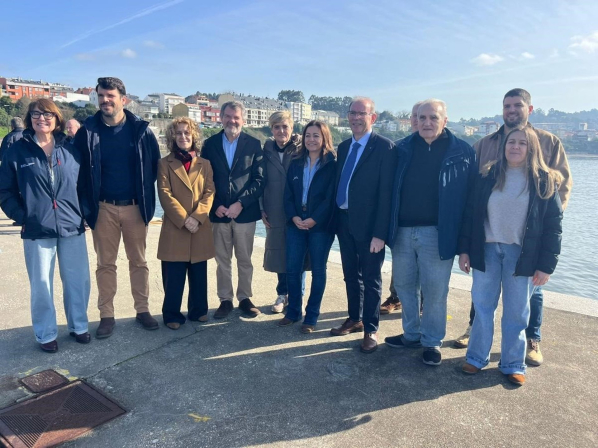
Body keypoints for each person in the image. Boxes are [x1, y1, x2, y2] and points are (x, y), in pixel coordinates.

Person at [453, 88, 572, 368]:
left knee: (521, 308)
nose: (511, 110)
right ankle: (477, 353)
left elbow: (560, 196)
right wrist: (465, 248)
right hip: (488, 247)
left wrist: (537, 228)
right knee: (483, 304)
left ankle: (523, 351)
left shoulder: (548, 150)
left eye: (517, 105)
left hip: (526, 246)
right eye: (507, 105)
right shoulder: (485, 151)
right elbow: (472, 207)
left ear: (529, 109)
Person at [385, 99, 477, 366]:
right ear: (415, 119)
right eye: (422, 117)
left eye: (433, 118)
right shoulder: (401, 148)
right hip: (402, 232)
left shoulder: (462, 152)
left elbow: (470, 200)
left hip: (438, 233)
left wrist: (465, 243)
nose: (427, 122)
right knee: (404, 286)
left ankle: (432, 341)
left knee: (435, 291)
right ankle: (411, 334)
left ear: (444, 121)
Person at [0, 99, 90, 352]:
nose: (42, 118)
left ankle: (79, 326)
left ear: (57, 118)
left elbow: (85, 185)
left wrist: (84, 214)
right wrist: (23, 216)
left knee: (78, 281)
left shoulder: (71, 149)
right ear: (29, 118)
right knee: (41, 284)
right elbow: (5, 190)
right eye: (36, 114)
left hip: (72, 225)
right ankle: (45, 332)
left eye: (48, 114)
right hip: (37, 228)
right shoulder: (17, 151)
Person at [75, 77, 161, 338]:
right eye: (101, 96)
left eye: (110, 96)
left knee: (139, 262)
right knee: (105, 264)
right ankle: (106, 315)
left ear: (124, 99)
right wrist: (84, 208)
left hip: (135, 207)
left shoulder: (141, 131)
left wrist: (143, 197)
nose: (105, 101)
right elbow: (78, 173)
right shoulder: (87, 131)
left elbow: (154, 167)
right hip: (103, 208)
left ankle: (142, 309)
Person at [330, 97, 397, 354]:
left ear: (373, 117)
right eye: (353, 113)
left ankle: (371, 328)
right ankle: (354, 318)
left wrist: (380, 234)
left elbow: (386, 195)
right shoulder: (344, 147)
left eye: (362, 113)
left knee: (371, 279)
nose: (356, 118)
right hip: (343, 220)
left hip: (370, 228)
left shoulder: (385, 148)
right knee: (350, 275)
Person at [201, 101, 265, 319]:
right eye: (228, 116)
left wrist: (241, 203)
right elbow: (204, 179)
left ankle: (245, 298)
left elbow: (259, 179)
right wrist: (216, 204)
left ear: (243, 120)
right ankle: (225, 300)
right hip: (218, 214)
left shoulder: (254, 144)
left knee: (245, 259)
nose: (232, 121)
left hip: (244, 213)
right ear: (221, 118)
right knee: (222, 261)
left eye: (236, 117)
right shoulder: (209, 144)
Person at [278, 120, 336, 333]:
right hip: (296, 222)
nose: (311, 139)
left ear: (324, 138)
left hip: (320, 225)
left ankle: (311, 317)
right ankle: (293, 312)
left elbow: (331, 198)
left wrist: (315, 219)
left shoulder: (332, 164)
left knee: (318, 271)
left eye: (316, 135)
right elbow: (287, 194)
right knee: (293, 269)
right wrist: (293, 216)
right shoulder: (296, 162)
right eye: (308, 135)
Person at [157, 117, 215, 329]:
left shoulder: (205, 164)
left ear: (194, 136)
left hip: (199, 226)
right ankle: (171, 314)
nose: (183, 137)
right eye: (179, 133)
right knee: (174, 275)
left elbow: (210, 192)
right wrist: (184, 220)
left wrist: (197, 217)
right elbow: (164, 194)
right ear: (173, 137)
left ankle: (199, 310)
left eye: (187, 133)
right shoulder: (164, 163)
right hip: (176, 227)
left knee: (199, 274)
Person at [261, 110, 305, 313]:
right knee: (279, 253)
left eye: (284, 126)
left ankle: (297, 297)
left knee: (299, 254)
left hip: (297, 209)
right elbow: (259, 180)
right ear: (271, 129)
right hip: (274, 209)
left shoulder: (302, 148)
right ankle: (282, 294)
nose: (281, 131)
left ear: (292, 128)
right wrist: (261, 208)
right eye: (276, 127)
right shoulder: (266, 150)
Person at [381, 100, 423, 315]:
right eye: (415, 115)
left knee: (425, 264)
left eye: (422, 116)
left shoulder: (440, 149)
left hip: (427, 219)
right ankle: (395, 297)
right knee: (400, 261)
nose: (417, 120)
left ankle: (422, 303)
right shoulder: (397, 147)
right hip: (400, 216)